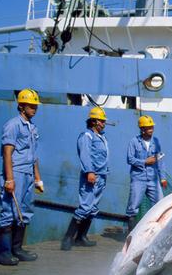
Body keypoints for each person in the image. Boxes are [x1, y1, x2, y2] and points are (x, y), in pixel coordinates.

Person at [0, 89, 44, 266]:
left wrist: (38, 178)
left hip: (29, 173)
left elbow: (34, 155)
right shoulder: (13, 125)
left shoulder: (32, 127)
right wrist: (9, 178)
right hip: (16, 173)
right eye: (31, 106)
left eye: (35, 106)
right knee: (9, 211)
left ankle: (17, 248)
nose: (35, 109)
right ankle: (3, 252)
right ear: (21, 106)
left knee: (25, 210)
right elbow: (7, 153)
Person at [61, 106, 109, 251]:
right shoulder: (86, 136)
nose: (103, 124)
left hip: (101, 176)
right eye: (101, 121)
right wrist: (89, 172)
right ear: (94, 122)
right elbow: (85, 155)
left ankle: (81, 237)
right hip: (92, 176)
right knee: (85, 207)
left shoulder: (101, 137)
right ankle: (67, 239)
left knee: (92, 208)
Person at [125, 115, 167, 232]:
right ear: (142, 129)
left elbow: (160, 160)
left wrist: (162, 178)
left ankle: (155, 232)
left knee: (160, 204)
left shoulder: (156, 141)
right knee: (133, 207)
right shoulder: (134, 142)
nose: (151, 130)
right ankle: (131, 235)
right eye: (149, 128)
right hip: (138, 178)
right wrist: (145, 162)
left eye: (152, 127)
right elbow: (130, 159)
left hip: (153, 179)